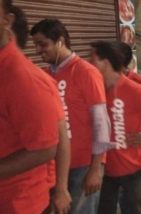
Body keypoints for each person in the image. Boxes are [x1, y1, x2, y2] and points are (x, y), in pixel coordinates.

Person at [31, 19, 112, 214]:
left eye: (43, 44)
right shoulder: (43, 74)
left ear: (60, 41)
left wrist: (96, 168)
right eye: (35, 45)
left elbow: (101, 123)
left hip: (83, 165)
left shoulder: (86, 72)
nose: (38, 50)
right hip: (53, 166)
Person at [89, 41, 141, 214]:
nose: (90, 63)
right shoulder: (98, 88)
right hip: (107, 167)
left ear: (106, 62)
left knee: (137, 209)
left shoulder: (132, 88)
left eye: (93, 59)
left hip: (133, 166)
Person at [0, 1, 61, 212]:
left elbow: (45, 148)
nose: (39, 50)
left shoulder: (25, 79)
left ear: (6, 21)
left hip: (19, 204)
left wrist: (61, 189)